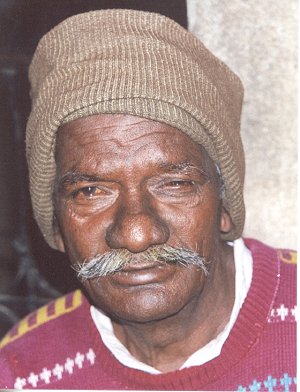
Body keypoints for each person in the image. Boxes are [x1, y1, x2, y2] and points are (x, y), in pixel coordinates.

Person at [0, 9, 296, 391]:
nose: (136, 234)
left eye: (174, 184)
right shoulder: (23, 373)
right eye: (90, 192)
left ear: (225, 204)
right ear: (56, 225)